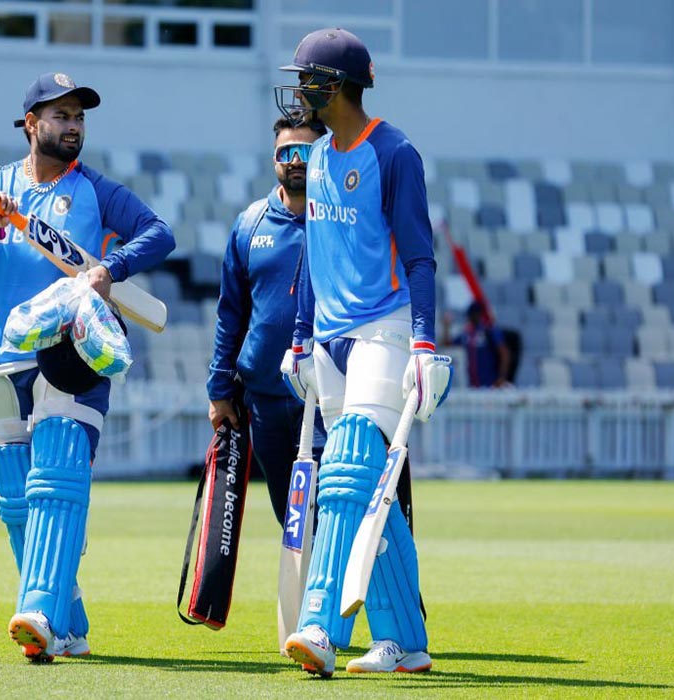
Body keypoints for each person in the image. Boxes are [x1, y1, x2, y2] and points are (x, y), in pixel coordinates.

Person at [0, 72, 175, 662]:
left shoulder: (95, 190)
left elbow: (159, 234)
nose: (72, 126)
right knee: (17, 497)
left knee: (56, 481)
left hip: (74, 349)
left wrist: (108, 270)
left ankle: (38, 610)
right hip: (7, 356)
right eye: (60, 115)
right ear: (31, 124)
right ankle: (67, 623)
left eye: (79, 117)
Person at [274, 29, 452, 677]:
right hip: (327, 339)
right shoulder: (317, 157)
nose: (297, 89)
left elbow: (421, 253)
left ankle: (320, 623)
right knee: (371, 486)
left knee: (347, 470)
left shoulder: (394, 152)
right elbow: (315, 259)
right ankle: (404, 639)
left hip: (386, 329)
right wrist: (300, 336)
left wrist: (425, 342)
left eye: (306, 78)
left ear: (335, 84)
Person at [207, 117, 328, 524]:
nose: (295, 161)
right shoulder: (250, 223)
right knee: (291, 518)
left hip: (325, 395)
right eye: (286, 153)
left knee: (325, 510)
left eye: (306, 152)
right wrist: (219, 388)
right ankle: (307, 589)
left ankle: (329, 589)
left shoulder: (339, 221)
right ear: (274, 160)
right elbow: (231, 313)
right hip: (266, 401)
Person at [442, 301, 511, 387]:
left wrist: (502, 378)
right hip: (473, 384)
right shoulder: (467, 334)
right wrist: (446, 327)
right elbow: (448, 345)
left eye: (474, 314)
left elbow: (504, 353)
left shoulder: (489, 331)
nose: (472, 317)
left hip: (490, 383)